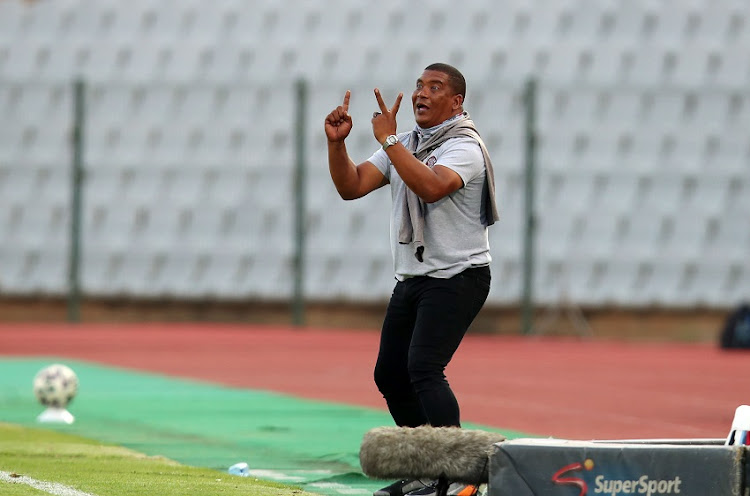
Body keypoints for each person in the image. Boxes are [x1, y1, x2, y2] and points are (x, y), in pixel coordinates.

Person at [324, 63, 499, 496]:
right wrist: (337, 146)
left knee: (423, 367)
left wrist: (387, 139)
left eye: (434, 87)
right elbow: (353, 185)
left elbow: (432, 187)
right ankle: (428, 468)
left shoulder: (465, 147)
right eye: (419, 85)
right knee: (389, 374)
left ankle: (462, 477)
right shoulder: (407, 143)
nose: (421, 92)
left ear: (456, 102)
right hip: (415, 276)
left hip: (459, 275)